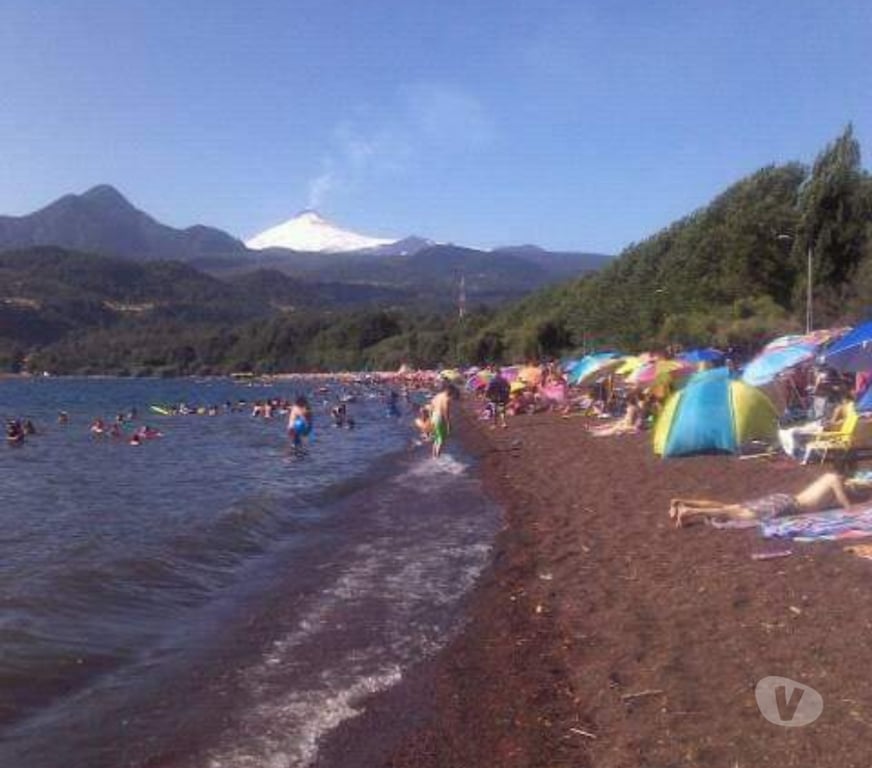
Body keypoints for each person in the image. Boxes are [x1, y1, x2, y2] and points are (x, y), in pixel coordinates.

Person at [669, 471, 863, 528]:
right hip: (789, 504)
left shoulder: (825, 480)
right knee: (736, 513)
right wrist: (850, 509)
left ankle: (682, 503)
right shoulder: (833, 478)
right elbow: (844, 502)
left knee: (731, 507)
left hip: (784, 499)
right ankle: (692, 511)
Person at [429, 382, 458, 458]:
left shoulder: (438, 396)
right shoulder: (446, 399)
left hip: (434, 416)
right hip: (440, 417)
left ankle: (433, 456)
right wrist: (448, 424)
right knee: (441, 439)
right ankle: (437, 457)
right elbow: (445, 412)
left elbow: (431, 406)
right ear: (449, 390)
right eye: (452, 392)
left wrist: (430, 417)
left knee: (436, 437)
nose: (452, 394)